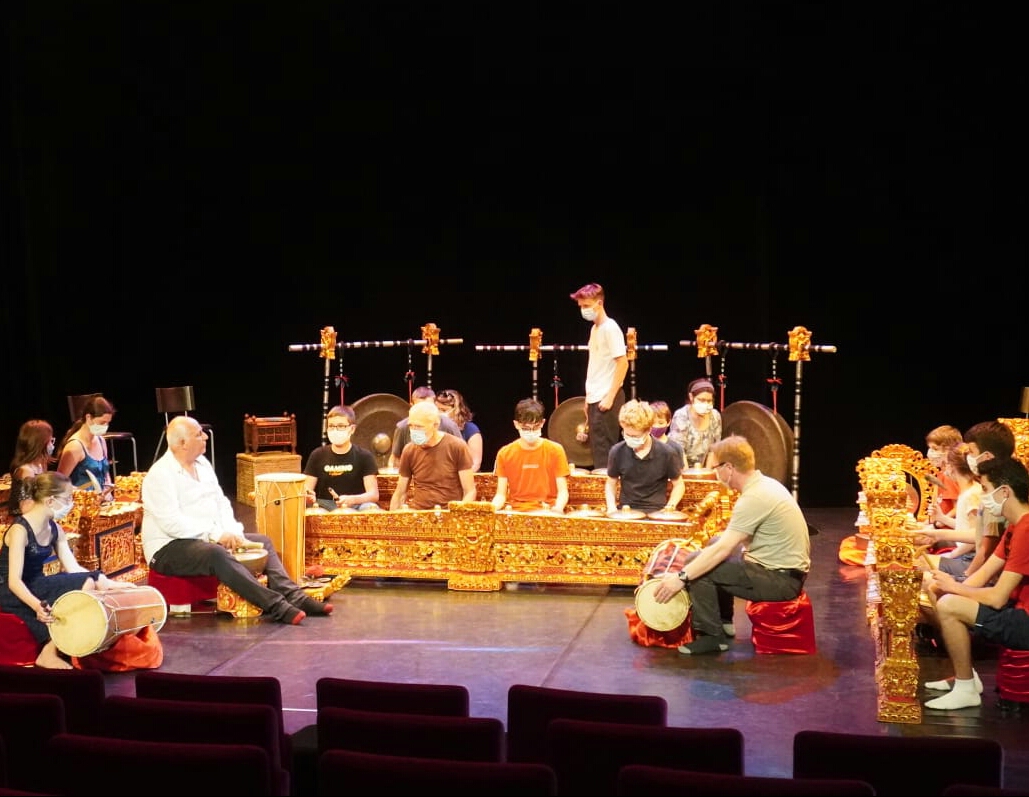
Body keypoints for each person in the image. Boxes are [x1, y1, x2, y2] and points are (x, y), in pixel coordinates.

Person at [142, 415, 333, 625]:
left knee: (264, 542)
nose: (205, 437)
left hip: (202, 540)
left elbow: (220, 502)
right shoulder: (159, 475)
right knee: (216, 553)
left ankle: (296, 597)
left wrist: (233, 532)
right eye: (198, 434)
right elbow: (172, 523)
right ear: (182, 443)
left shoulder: (202, 464)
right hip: (168, 548)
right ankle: (277, 606)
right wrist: (216, 535)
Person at [649, 434, 811, 655]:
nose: (715, 473)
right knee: (711, 546)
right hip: (778, 571)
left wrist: (681, 577)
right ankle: (724, 622)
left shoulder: (755, 497)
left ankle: (712, 636)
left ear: (729, 467)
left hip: (781, 581)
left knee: (701, 571)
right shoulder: (763, 484)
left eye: (715, 467)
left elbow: (723, 549)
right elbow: (723, 543)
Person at [0, 471, 138, 668]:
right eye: (67, 499)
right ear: (50, 501)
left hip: (37, 583)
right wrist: (37, 606)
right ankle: (49, 652)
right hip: (10, 590)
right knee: (87, 582)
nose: (70, 504)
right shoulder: (20, 530)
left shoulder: (54, 528)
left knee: (90, 580)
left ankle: (83, 641)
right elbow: (14, 581)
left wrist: (108, 583)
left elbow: (73, 568)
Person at [923, 456, 1029, 710]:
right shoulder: (1015, 527)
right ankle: (967, 678)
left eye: (986, 489)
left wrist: (954, 587)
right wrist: (947, 586)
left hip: (1023, 619)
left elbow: (997, 598)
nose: (983, 496)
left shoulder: (1027, 529)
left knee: (949, 604)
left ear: (1005, 492)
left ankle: (966, 688)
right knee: (940, 592)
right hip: (1015, 607)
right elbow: (981, 576)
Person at [569, 282, 627, 474]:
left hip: (607, 398)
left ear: (599, 303)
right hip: (596, 396)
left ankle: (607, 492)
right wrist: (589, 398)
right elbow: (595, 366)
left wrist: (610, 397)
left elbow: (623, 363)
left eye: (586, 306)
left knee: (605, 454)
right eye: (581, 306)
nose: (583, 310)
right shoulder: (595, 329)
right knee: (597, 451)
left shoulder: (611, 328)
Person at [389, 401, 476, 510]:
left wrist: (458, 514)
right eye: (411, 426)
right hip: (419, 513)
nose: (414, 431)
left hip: (449, 513)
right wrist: (392, 517)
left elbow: (469, 491)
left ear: (435, 425)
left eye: (419, 426)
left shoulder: (457, 447)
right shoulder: (409, 450)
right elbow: (400, 493)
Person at [604, 400, 685, 516]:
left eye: (635, 436)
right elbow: (611, 483)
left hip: (656, 512)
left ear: (648, 430)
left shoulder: (667, 452)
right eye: (627, 434)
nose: (630, 438)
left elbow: (679, 485)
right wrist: (611, 507)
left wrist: (670, 507)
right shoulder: (617, 451)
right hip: (626, 512)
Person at [491, 398, 570, 513]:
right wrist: (491, 509)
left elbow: (563, 491)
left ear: (542, 423)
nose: (531, 432)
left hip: (547, 510)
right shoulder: (504, 453)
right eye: (526, 428)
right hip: (516, 512)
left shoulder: (555, 450)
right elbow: (500, 495)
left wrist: (558, 509)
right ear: (516, 424)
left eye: (535, 427)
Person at [303, 405, 380, 511]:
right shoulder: (317, 455)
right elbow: (307, 490)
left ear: (352, 429)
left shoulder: (364, 456)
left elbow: (373, 495)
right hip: (324, 506)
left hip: (356, 505)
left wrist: (352, 499)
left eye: (340, 426)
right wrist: (308, 497)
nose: (335, 430)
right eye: (331, 426)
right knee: (312, 511)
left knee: (370, 508)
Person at [55, 394, 116, 499]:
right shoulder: (75, 446)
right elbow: (59, 483)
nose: (105, 426)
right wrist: (87, 495)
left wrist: (108, 493)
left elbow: (105, 474)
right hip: (82, 503)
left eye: (107, 423)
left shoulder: (101, 441)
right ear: (89, 418)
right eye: (102, 422)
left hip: (101, 502)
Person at [388, 386, 463, 468]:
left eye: (428, 407)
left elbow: (462, 457)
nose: (424, 411)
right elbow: (395, 459)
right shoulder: (402, 427)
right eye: (420, 407)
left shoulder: (449, 426)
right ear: (412, 406)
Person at [669, 378, 722, 470]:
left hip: (703, 468)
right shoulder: (681, 416)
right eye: (701, 400)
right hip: (680, 468)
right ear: (691, 397)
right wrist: (688, 475)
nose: (705, 404)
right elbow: (679, 451)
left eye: (709, 401)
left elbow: (713, 450)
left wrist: (707, 473)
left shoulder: (715, 416)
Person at [6, 419, 56, 516]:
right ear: (40, 444)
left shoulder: (41, 464)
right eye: (50, 441)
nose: (52, 445)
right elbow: (26, 508)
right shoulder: (26, 471)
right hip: (22, 520)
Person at [434, 388, 484, 472]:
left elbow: (476, 463)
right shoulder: (434, 429)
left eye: (443, 410)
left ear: (456, 410)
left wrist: (461, 477)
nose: (439, 414)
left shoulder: (470, 429)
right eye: (437, 409)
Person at [925, 424, 963, 529]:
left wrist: (940, 523)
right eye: (930, 448)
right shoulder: (941, 474)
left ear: (948, 450)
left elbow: (959, 507)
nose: (930, 452)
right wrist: (927, 523)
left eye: (935, 449)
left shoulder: (950, 476)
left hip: (949, 530)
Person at [648, 400, 685, 470]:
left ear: (668, 422)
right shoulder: (642, 446)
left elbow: (684, 471)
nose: (656, 426)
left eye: (661, 423)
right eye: (652, 423)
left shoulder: (676, 448)